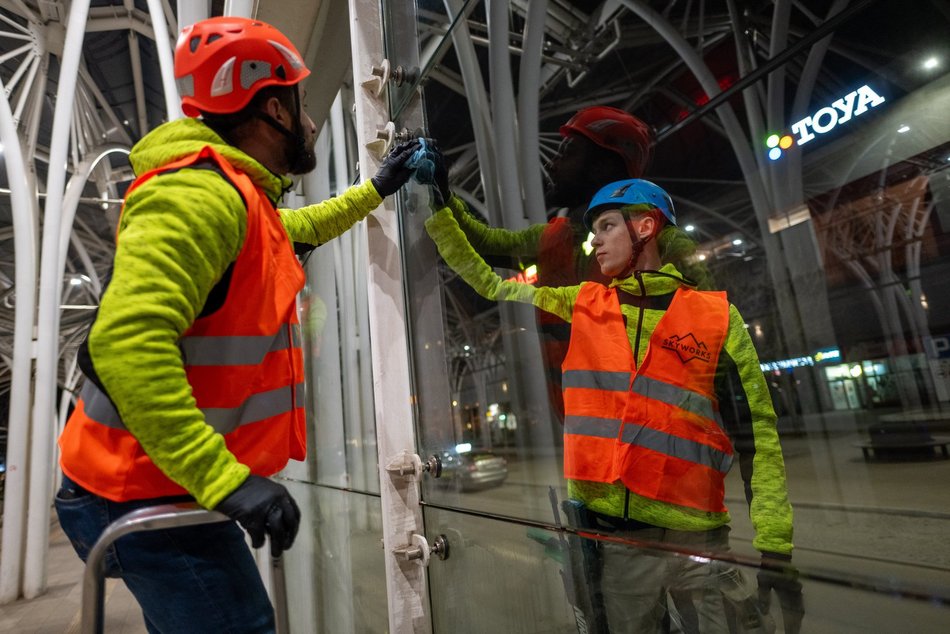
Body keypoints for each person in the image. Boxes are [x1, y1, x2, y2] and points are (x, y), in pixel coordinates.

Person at [54, 16, 419, 633]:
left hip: (153, 477)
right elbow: (126, 344)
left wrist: (378, 187)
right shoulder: (200, 197)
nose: (308, 123)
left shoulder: (240, 199)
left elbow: (302, 228)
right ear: (274, 110)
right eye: (302, 106)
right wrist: (225, 481)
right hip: (134, 486)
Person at [422, 177, 803, 633]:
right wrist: (440, 206)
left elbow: (759, 431)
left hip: (699, 539)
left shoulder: (718, 316)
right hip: (616, 541)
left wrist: (776, 547)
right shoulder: (582, 302)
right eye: (594, 230)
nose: (594, 240)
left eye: (606, 226)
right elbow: (489, 284)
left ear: (645, 226)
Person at [434, 106, 656, 419]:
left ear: (603, 166)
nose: (552, 164)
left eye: (568, 152)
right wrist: (441, 192)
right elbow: (483, 243)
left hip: (642, 434)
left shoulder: (651, 243)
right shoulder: (554, 238)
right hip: (587, 435)